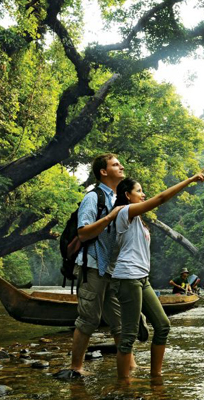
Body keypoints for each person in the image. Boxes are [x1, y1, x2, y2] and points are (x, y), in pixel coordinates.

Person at [111, 167, 204, 381]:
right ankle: (123, 387)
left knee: (163, 326)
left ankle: (156, 379)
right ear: (128, 195)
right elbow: (161, 198)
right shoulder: (124, 212)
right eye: (139, 190)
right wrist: (189, 179)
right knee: (128, 336)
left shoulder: (140, 221)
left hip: (142, 280)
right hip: (127, 278)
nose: (143, 194)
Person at [63, 153, 127, 378]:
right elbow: (83, 232)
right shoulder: (93, 197)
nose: (121, 167)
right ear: (103, 171)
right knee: (88, 319)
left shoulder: (120, 198)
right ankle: (76, 367)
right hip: (92, 267)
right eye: (115, 164)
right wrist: (110, 217)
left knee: (119, 323)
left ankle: (130, 367)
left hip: (113, 269)